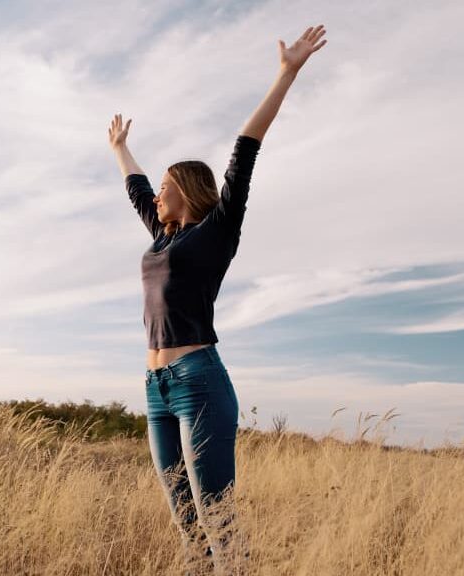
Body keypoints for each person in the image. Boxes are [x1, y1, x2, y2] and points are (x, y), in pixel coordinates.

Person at [107, 24, 328, 575]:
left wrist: (286, 74)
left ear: (185, 187)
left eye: (164, 185)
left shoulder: (218, 230)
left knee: (217, 520)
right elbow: (136, 190)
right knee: (185, 524)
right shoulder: (161, 238)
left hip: (198, 380)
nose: (155, 194)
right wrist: (120, 148)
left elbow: (244, 151)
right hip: (157, 387)